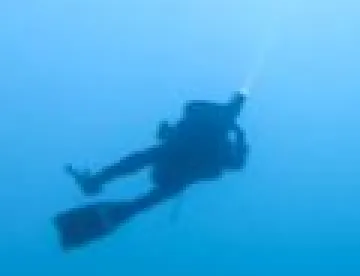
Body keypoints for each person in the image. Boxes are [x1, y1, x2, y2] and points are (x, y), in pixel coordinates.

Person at [53, 90, 249, 251]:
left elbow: (170, 129)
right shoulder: (215, 128)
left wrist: (239, 135)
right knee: (152, 180)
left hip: (172, 171)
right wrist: (239, 135)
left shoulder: (211, 126)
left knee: (150, 166)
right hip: (173, 171)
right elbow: (235, 163)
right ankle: (99, 185)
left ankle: (98, 183)